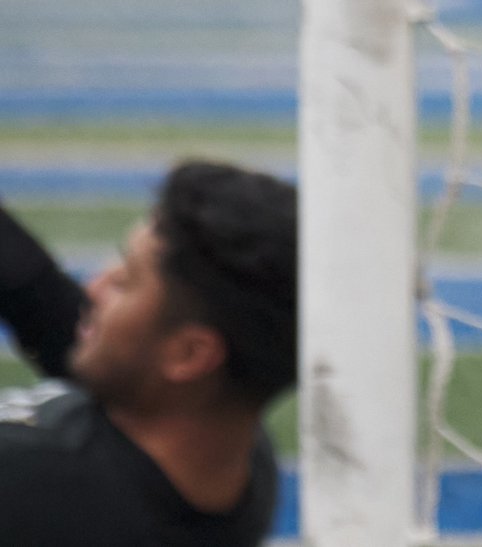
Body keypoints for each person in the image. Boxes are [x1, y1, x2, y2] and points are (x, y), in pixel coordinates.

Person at [0, 160, 296, 546]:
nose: (95, 287)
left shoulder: (37, 490)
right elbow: (58, 318)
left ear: (189, 355)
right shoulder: (227, 445)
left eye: (125, 281)